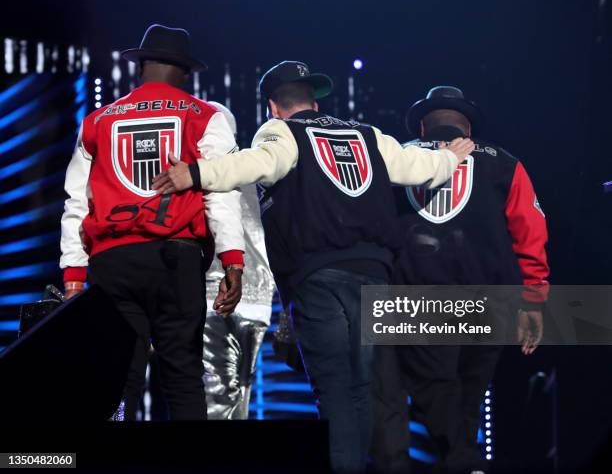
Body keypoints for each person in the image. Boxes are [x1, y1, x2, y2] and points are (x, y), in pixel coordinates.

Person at [152, 61, 475, 472]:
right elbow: (418, 168)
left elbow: (252, 164)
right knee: (362, 391)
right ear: (314, 97)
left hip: (319, 280)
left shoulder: (280, 132)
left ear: (272, 105)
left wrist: (194, 172)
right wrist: (449, 159)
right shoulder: (367, 134)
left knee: (337, 393)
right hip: (374, 279)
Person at [59, 24, 245, 420]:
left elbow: (77, 201)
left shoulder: (97, 121)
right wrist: (233, 260)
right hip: (175, 260)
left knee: (116, 381)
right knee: (182, 376)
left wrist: (74, 276)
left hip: (113, 262)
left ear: (141, 66)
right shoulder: (206, 116)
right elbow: (221, 191)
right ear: (187, 73)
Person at [370, 86, 549, 473]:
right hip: (492, 302)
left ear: (421, 123)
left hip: (418, 300)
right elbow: (530, 231)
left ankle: (466, 464)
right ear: (469, 127)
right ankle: (466, 464)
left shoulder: (396, 159)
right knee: (466, 402)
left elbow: (368, 226)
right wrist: (533, 300)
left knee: (438, 395)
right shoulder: (505, 162)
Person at [202, 101, 274, 420]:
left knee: (218, 398)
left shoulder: (204, 170)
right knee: (240, 395)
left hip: (216, 294)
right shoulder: (258, 169)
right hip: (259, 301)